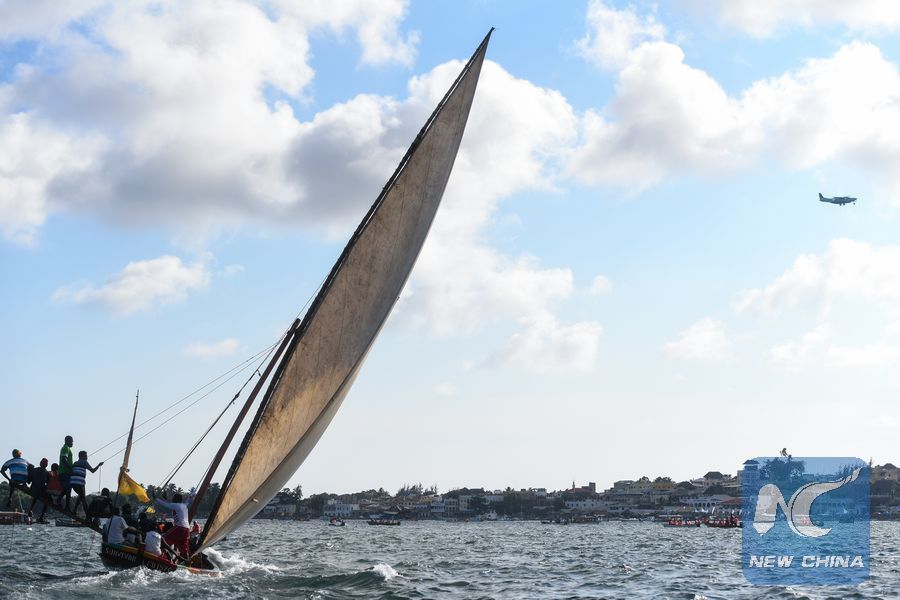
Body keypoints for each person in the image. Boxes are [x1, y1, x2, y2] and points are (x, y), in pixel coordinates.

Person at [154, 493, 191, 559]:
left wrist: (156, 498)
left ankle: (162, 558)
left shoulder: (175, 505)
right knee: (184, 550)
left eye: (173, 498)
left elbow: (165, 504)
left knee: (162, 540)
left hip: (180, 527)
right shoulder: (184, 505)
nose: (172, 499)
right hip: (187, 529)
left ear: (176, 499)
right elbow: (170, 503)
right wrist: (165, 498)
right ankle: (187, 562)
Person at [69, 451, 104, 516]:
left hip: (73, 483)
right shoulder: (84, 462)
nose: (87, 457)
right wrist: (99, 465)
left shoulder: (75, 463)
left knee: (81, 496)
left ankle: (74, 510)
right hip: (79, 483)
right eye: (85, 455)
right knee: (83, 499)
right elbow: (92, 471)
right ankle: (88, 516)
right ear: (82, 456)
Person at [59, 436, 74, 510]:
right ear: (67, 441)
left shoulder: (66, 448)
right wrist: (71, 469)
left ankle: (62, 502)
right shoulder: (66, 448)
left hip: (65, 472)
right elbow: (64, 459)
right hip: (64, 472)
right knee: (68, 489)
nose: (72, 443)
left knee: (67, 489)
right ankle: (66, 506)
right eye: (72, 441)